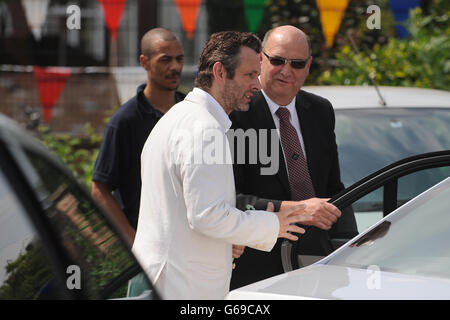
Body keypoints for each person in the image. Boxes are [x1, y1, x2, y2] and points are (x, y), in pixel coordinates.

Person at [132, 31, 311, 300]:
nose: (258, 84)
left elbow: (188, 212)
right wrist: (274, 224)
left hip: (166, 280)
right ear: (220, 72)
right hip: (179, 288)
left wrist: (228, 239)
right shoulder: (204, 128)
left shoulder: (180, 117)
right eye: (250, 75)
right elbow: (207, 215)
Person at [229, 25, 357, 289]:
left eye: (297, 64)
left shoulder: (320, 110)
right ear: (261, 59)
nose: (286, 71)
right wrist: (299, 211)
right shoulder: (236, 114)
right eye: (278, 60)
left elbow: (334, 189)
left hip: (318, 262)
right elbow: (234, 199)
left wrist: (351, 244)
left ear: (308, 66)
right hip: (257, 268)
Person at [91, 28, 185, 247]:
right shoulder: (125, 121)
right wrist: (134, 241)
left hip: (191, 247)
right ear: (144, 62)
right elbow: (99, 189)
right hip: (149, 249)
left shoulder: (192, 111)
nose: (175, 67)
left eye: (180, 59)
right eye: (165, 60)